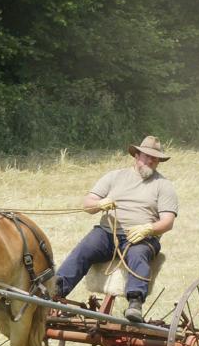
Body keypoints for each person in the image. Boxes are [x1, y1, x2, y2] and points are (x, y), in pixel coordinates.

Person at [50, 135, 179, 323]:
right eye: (147, 156)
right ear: (137, 155)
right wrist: (100, 203)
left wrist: (148, 228)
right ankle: (56, 290)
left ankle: (135, 303)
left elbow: (168, 222)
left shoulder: (164, 186)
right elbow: (88, 204)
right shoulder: (114, 176)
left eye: (155, 158)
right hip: (107, 233)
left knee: (137, 255)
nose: (150, 160)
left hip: (141, 237)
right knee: (84, 249)